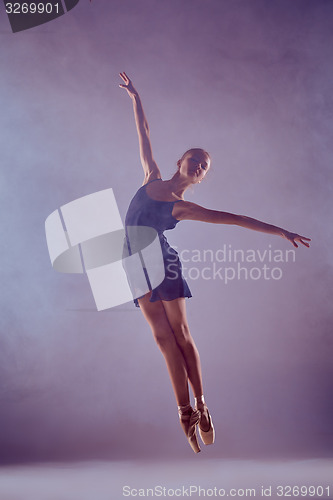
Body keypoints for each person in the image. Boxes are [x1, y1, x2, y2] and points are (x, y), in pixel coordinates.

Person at [119, 71, 311, 454]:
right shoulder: (151, 177)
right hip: (133, 264)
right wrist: (135, 97)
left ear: (200, 177)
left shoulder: (185, 207)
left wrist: (281, 231)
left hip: (163, 264)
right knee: (161, 339)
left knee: (181, 335)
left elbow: (236, 218)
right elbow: (143, 131)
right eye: (197, 159)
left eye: (205, 167)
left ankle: (202, 404)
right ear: (182, 160)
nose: (200, 166)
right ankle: (184, 411)